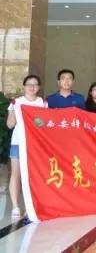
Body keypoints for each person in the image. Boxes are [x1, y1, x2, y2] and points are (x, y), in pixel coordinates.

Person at [6, 75, 47, 219]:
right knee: (16, 173)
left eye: (35, 84)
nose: (32, 87)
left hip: (35, 144)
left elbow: (44, 124)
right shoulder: (16, 102)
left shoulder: (43, 103)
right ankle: (15, 206)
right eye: (29, 84)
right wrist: (13, 110)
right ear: (24, 86)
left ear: (39, 87)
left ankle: (32, 206)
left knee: (34, 174)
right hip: (18, 142)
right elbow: (10, 125)